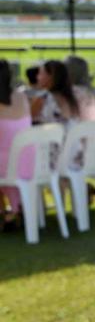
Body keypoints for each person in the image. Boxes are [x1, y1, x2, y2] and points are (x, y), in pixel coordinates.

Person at [0, 59, 34, 229]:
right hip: (29, 162)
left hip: (9, 165)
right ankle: (14, 209)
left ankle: (7, 212)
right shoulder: (21, 96)